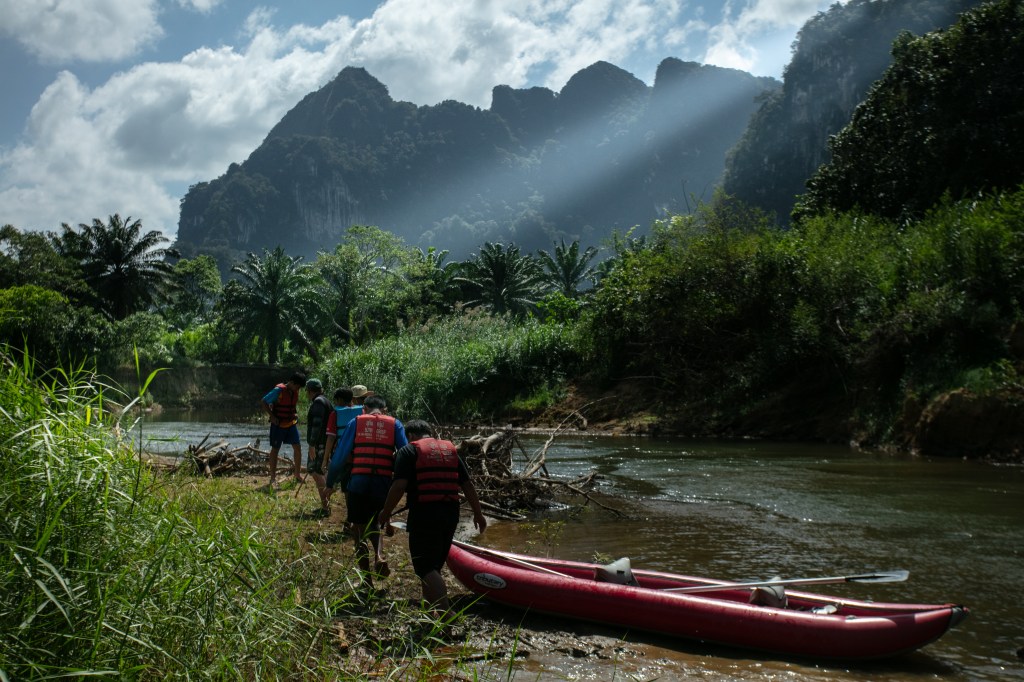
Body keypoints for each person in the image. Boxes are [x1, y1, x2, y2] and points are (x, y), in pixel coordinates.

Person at [379, 420, 487, 617]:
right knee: (434, 565)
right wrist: (478, 514)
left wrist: (385, 513)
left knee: (425, 567)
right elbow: (467, 485)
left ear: (410, 436)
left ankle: (446, 614)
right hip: (451, 514)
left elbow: (398, 486)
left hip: (424, 513)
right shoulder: (449, 450)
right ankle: (431, 612)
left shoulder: (408, 451)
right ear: (431, 433)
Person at [325, 394, 408, 587]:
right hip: (383, 483)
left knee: (358, 530)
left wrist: (330, 483)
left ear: (364, 409)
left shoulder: (356, 422)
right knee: (376, 523)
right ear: (385, 410)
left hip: (358, 482)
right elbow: (405, 454)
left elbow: (339, 457)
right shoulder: (395, 424)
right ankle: (379, 555)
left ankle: (367, 581)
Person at [260, 371, 305, 488]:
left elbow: (292, 406)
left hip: (290, 423)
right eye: (298, 386)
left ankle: (297, 474)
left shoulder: (295, 391)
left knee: (298, 447)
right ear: (292, 382)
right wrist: (272, 416)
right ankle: (272, 478)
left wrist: (295, 414)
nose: (298, 389)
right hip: (278, 424)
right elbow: (264, 401)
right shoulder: (278, 390)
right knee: (275, 449)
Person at [304, 378, 334, 515]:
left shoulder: (318, 403)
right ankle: (326, 505)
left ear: (309, 391)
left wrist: (312, 444)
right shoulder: (326, 401)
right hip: (325, 443)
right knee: (321, 472)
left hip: (319, 444)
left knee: (316, 472)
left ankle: (325, 508)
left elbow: (317, 425)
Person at [324, 386, 364, 463]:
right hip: (359, 453)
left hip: (343, 454)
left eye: (335, 400)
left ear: (340, 399)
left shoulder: (335, 414)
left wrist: (325, 458)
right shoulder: (362, 411)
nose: (335, 403)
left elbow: (331, 438)